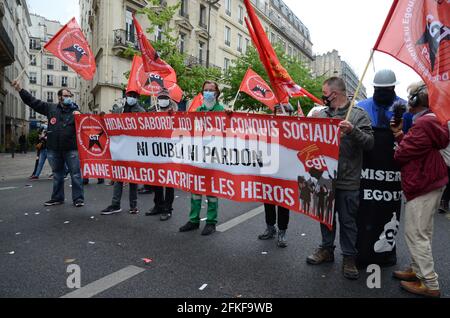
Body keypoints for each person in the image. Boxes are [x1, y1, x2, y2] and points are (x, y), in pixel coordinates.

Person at [306, 77, 374, 280]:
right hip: (324, 177)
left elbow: (370, 143)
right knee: (325, 218)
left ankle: (349, 257)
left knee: (347, 221)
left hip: (348, 179)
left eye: (324, 93)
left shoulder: (358, 115)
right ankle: (326, 249)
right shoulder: (321, 114)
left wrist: (352, 131)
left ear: (333, 94)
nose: (322, 96)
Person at [390, 82, 448, 298]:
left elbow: (401, 155)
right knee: (424, 230)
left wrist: (397, 139)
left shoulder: (423, 125)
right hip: (431, 180)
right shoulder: (430, 122)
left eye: (409, 97)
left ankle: (429, 283)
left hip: (423, 182)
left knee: (416, 233)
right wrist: (399, 135)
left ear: (416, 101)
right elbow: (413, 147)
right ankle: (417, 270)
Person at [12, 80, 85, 207]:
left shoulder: (76, 112)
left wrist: (80, 117)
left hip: (71, 149)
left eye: (70, 96)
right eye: (66, 95)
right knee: (57, 175)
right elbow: (33, 102)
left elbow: (86, 127)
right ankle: (57, 198)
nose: (68, 98)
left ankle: (78, 199)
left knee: (76, 174)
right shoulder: (50, 108)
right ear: (59, 97)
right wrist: (20, 90)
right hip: (54, 149)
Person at [179, 81, 225, 236]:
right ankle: (193, 220)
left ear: (217, 93)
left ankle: (211, 222)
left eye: (211, 90)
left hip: (213, 157)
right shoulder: (198, 110)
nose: (208, 93)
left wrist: (230, 116)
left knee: (211, 191)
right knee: (196, 189)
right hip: (198, 155)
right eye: (205, 90)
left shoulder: (222, 111)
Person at [101, 89, 146, 215]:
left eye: (134, 96)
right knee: (118, 177)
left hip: (133, 149)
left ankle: (133, 205)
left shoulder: (142, 112)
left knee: (133, 179)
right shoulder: (118, 111)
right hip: (119, 149)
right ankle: (115, 204)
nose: (131, 97)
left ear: (137, 98)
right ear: (126, 96)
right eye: (130, 95)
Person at [258, 104, 294, 248]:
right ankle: (270, 227)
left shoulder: (295, 130)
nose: (281, 113)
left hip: (286, 172)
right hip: (269, 169)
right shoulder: (267, 129)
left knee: (283, 202)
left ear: (291, 114)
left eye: (285, 111)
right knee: (268, 200)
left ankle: (282, 232)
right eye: (278, 111)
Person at [145, 89, 178, 221]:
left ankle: (167, 208)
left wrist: (173, 116)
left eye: (165, 97)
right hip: (155, 149)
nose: (162, 99)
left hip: (171, 150)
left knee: (169, 180)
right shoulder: (152, 110)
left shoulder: (175, 111)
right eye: (160, 97)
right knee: (157, 179)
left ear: (169, 99)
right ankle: (158, 205)